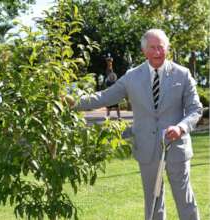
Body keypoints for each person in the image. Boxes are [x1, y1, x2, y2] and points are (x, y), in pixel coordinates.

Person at [70, 29, 202, 220]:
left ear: (168, 49)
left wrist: (181, 127)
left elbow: (195, 109)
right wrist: (72, 101)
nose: (157, 52)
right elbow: (104, 97)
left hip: (177, 147)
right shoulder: (132, 77)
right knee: (153, 200)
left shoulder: (183, 75)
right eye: (152, 48)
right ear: (144, 51)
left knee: (185, 198)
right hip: (146, 148)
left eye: (161, 47)